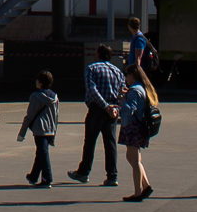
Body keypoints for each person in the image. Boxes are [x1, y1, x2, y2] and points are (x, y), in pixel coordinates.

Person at [67, 45, 125, 186]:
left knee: (90, 141)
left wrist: (105, 106)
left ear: (98, 54)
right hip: (112, 110)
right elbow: (123, 91)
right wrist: (116, 107)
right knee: (110, 143)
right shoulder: (117, 71)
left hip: (98, 109)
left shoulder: (92, 68)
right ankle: (112, 175)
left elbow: (92, 90)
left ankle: (84, 172)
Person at [117, 65, 159, 201]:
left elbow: (130, 110)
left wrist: (122, 99)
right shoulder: (141, 88)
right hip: (138, 126)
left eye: (126, 75)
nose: (125, 78)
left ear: (132, 75)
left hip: (133, 127)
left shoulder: (134, 90)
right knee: (133, 158)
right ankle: (145, 186)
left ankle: (138, 192)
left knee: (134, 160)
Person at [17, 69, 59, 187]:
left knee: (43, 152)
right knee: (41, 152)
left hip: (40, 129)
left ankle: (47, 178)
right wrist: (54, 130)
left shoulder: (36, 96)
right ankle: (33, 176)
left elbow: (29, 116)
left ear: (40, 83)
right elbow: (56, 115)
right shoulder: (55, 96)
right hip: (51, 128)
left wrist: (22, 133)